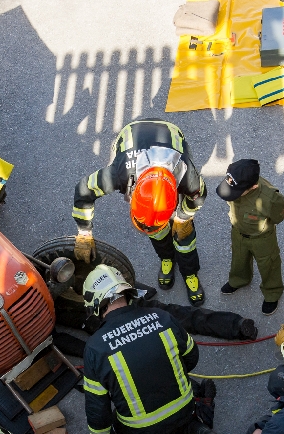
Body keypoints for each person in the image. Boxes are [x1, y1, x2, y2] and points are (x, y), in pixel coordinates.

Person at [80, 264, 230, 434]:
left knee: (116, 430)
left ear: (96, 304)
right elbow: (191, 356)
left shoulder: (95, 347)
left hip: (143, 428)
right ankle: (199, 428)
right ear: (127, 292)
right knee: (183, 404)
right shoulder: (162, 317)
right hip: (184, 408)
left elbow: (97, 405)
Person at [72, 119, 208, 305]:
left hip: (170, 134)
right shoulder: (119, 173)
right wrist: (84, 233)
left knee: (185, 239)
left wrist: (183, 218)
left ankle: (190, 273)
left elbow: (199, 195)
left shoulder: (186, 174)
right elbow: (83, 190)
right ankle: (167, 258)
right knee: (157, 233)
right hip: (132, 136)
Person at [215, 159, 284, 315]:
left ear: (253, 187)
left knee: (269, 264)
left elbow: (282, 214)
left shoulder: (270, 198)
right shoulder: (235, 181)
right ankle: (239, 279)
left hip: (261, 238)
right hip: (238, 232)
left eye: (237, 191)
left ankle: (272, 293)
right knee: (238, 258)